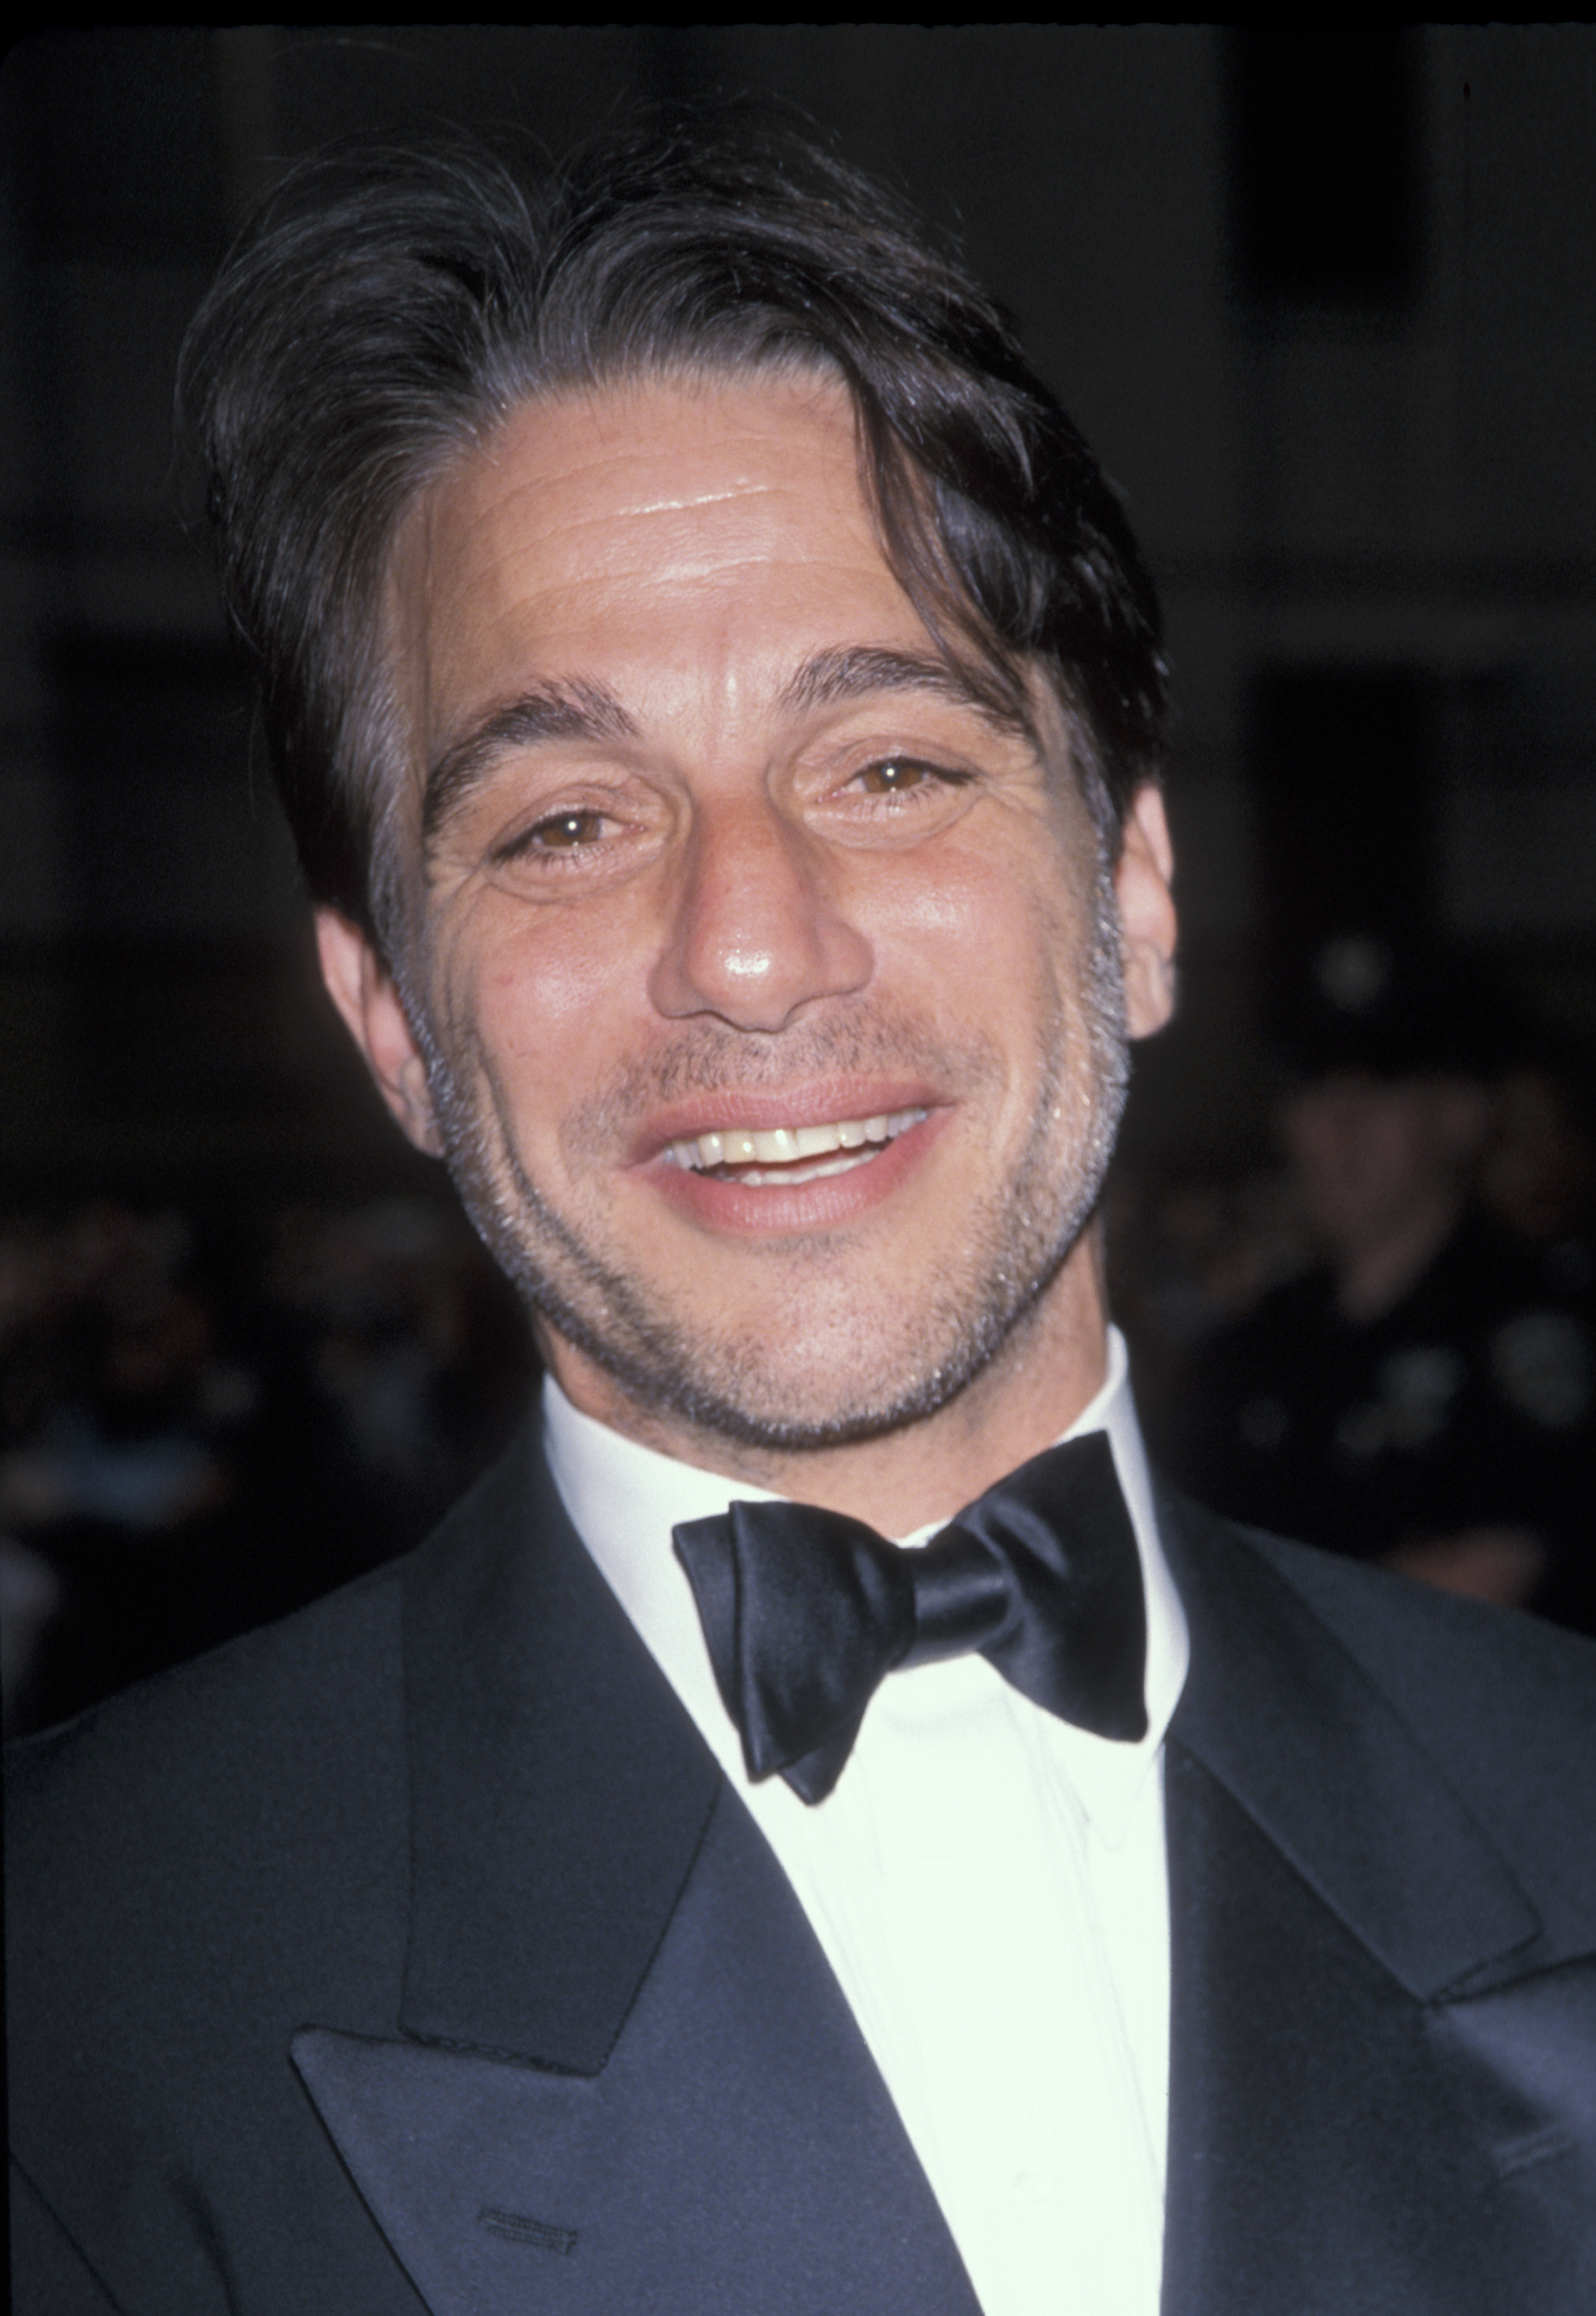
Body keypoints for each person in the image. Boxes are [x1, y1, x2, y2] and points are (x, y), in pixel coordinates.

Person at [8, 126, 1596, 2316]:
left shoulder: (1565, 1789)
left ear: (1132, 895)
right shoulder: (79, 1974)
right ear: (386, 1019)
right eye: (566, 820)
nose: (747, 947)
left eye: (889, 769)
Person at [1178, 936, 1596, 1617]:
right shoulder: (1253, 1342)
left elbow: (1477, 1592)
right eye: (1315, 1086)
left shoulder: (1527, 1326)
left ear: (1461, 1112)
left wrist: (1261, 1621)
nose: (1342, 1127)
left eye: (1380, 1088)